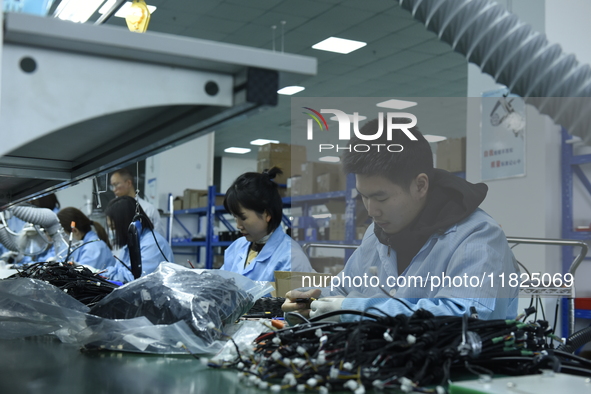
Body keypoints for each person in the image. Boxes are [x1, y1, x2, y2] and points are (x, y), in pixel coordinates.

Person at [283, 119, 519, 321]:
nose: (371, 211)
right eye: (364, 197)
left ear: (420, 185)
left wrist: (354, 311)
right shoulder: (376, 235)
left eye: (381, 197)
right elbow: (342, 289)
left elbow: (465, 316)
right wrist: (310, 301)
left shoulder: (477, 237)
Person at [220, 167, 315, 283]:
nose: (238, 225)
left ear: (267, 214)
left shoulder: (291, 258)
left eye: (243, 218)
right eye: (235, 217)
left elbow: (297, 299)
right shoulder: (237, 247)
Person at [102, 196, 174, 283]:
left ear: (125, 224)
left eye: (113, 228)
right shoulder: (131, 244)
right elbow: (119, 270)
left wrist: (105, 274)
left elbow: (136, 279)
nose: (112, 232)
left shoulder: (152, 244)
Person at [110, 168, 165, 237]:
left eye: (116, 184)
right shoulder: (113, 209)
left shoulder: (148, 210)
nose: (113, 189)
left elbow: (158, 238)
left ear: (128, 183)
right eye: (112, 186)